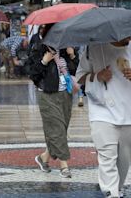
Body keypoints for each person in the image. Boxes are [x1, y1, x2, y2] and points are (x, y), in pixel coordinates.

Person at [76, 37, 131, 197]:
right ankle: (111, 193)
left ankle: (117, 188)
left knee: (124, 161)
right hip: (102, 113)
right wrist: (98, 76)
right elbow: (80, 77)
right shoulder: (93, 48)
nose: (129, 35)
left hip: (130, 114)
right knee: (107, 159)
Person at [29, 25, 79, 178]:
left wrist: (72, 56)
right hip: (47, 94)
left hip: (65, 94)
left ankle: (43, 158)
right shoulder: (39, 49)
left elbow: (77, 70)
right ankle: (64, 166)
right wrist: (44, 61)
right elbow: (33, 75)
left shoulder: (65, 50)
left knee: (60, 130)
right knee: (56, 129)